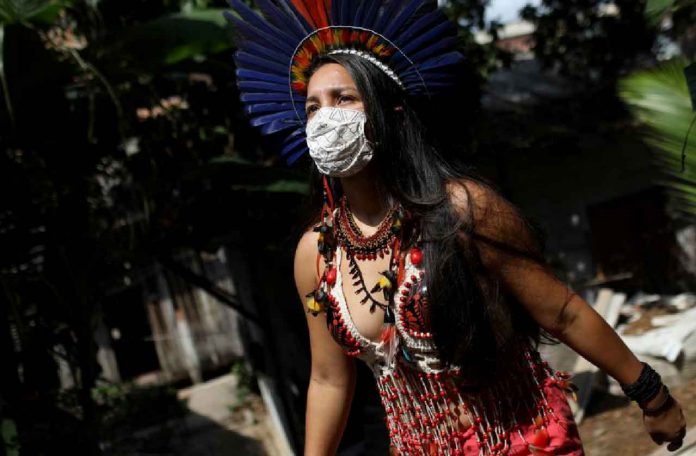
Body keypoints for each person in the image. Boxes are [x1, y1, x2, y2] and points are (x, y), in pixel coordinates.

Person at [226, 1, 687, 454]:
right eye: (311, 107)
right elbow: (328, 379)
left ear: (392, 113)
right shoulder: (316, 254)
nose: (325, 117)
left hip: (524, 443)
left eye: (343, 98)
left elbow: (562, 312)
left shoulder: (462, 210)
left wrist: (649, 393)